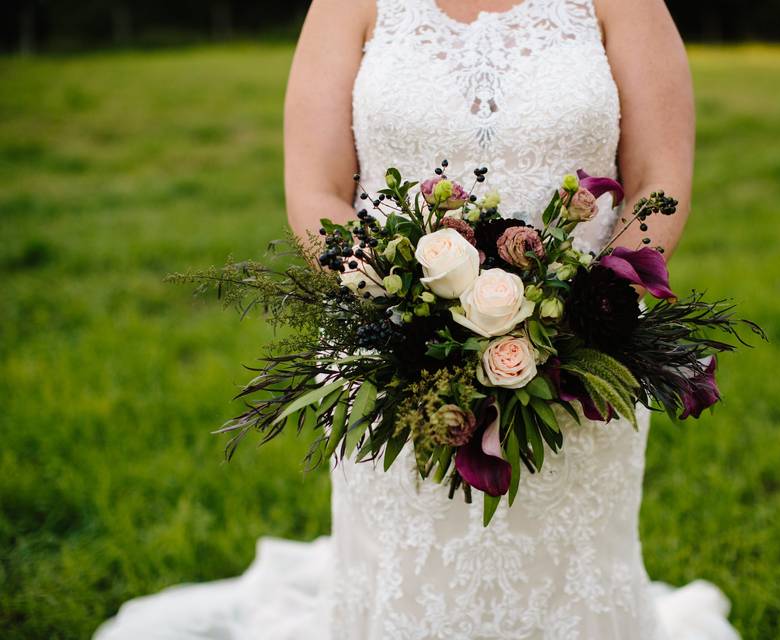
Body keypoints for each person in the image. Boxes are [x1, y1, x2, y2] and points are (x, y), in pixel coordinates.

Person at [97, 1, 739, 638]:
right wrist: (408, 314)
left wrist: (582, 310)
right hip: (394, 358)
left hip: (579, 355)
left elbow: (659, 178)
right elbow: (317, 191)